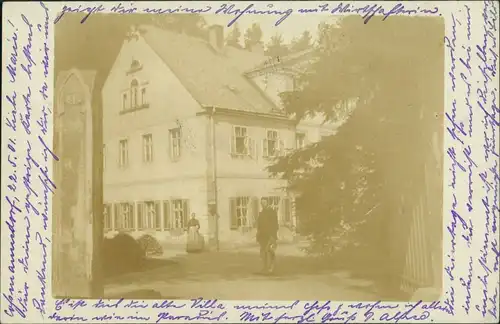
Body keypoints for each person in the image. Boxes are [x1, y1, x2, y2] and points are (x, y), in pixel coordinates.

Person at [256, 198, 279, 274]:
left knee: (270, 250)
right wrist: (258, 235)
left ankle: (272, 267)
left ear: (267, 203)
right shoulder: (261, 213)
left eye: (264, 202)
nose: (263, 204)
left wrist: (273, 236)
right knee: (263, 252)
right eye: (262, 203)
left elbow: (275, 225)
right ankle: (265, 267)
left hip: (270, 235)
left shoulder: (272, 212)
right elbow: (259, 225)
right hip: (263, 236)